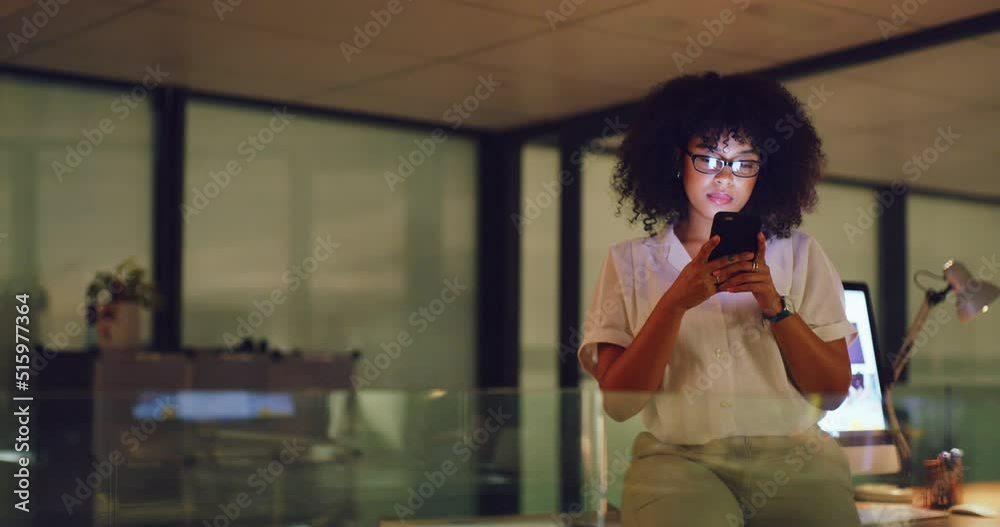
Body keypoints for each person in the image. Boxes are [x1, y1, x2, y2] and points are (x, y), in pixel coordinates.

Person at [577, 71, 861, 527]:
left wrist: (775, 304)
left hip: (796, 458)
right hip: (678, 462)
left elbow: (831, 392)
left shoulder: (802, 254)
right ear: (677, 159)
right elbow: (619, 403)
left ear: (763, 173)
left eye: (744, 162)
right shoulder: (629, 263)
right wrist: (674, 303)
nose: (725, 176)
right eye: (709, 158)